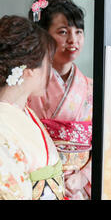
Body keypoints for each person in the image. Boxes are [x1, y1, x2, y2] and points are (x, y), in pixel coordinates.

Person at [27, 0, 93, 200]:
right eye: (63, 32)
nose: (73, 40)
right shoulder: (27, 87)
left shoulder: (93, 88)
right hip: (37, 184)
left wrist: (83, 176)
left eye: (78, 32)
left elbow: (108, 144)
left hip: (78, 188)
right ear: (44, 37)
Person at [0, 15, 65, 200]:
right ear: (29, 70)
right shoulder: (3, 124)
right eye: (48, 64)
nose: (51, 72)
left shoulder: (24, 111)